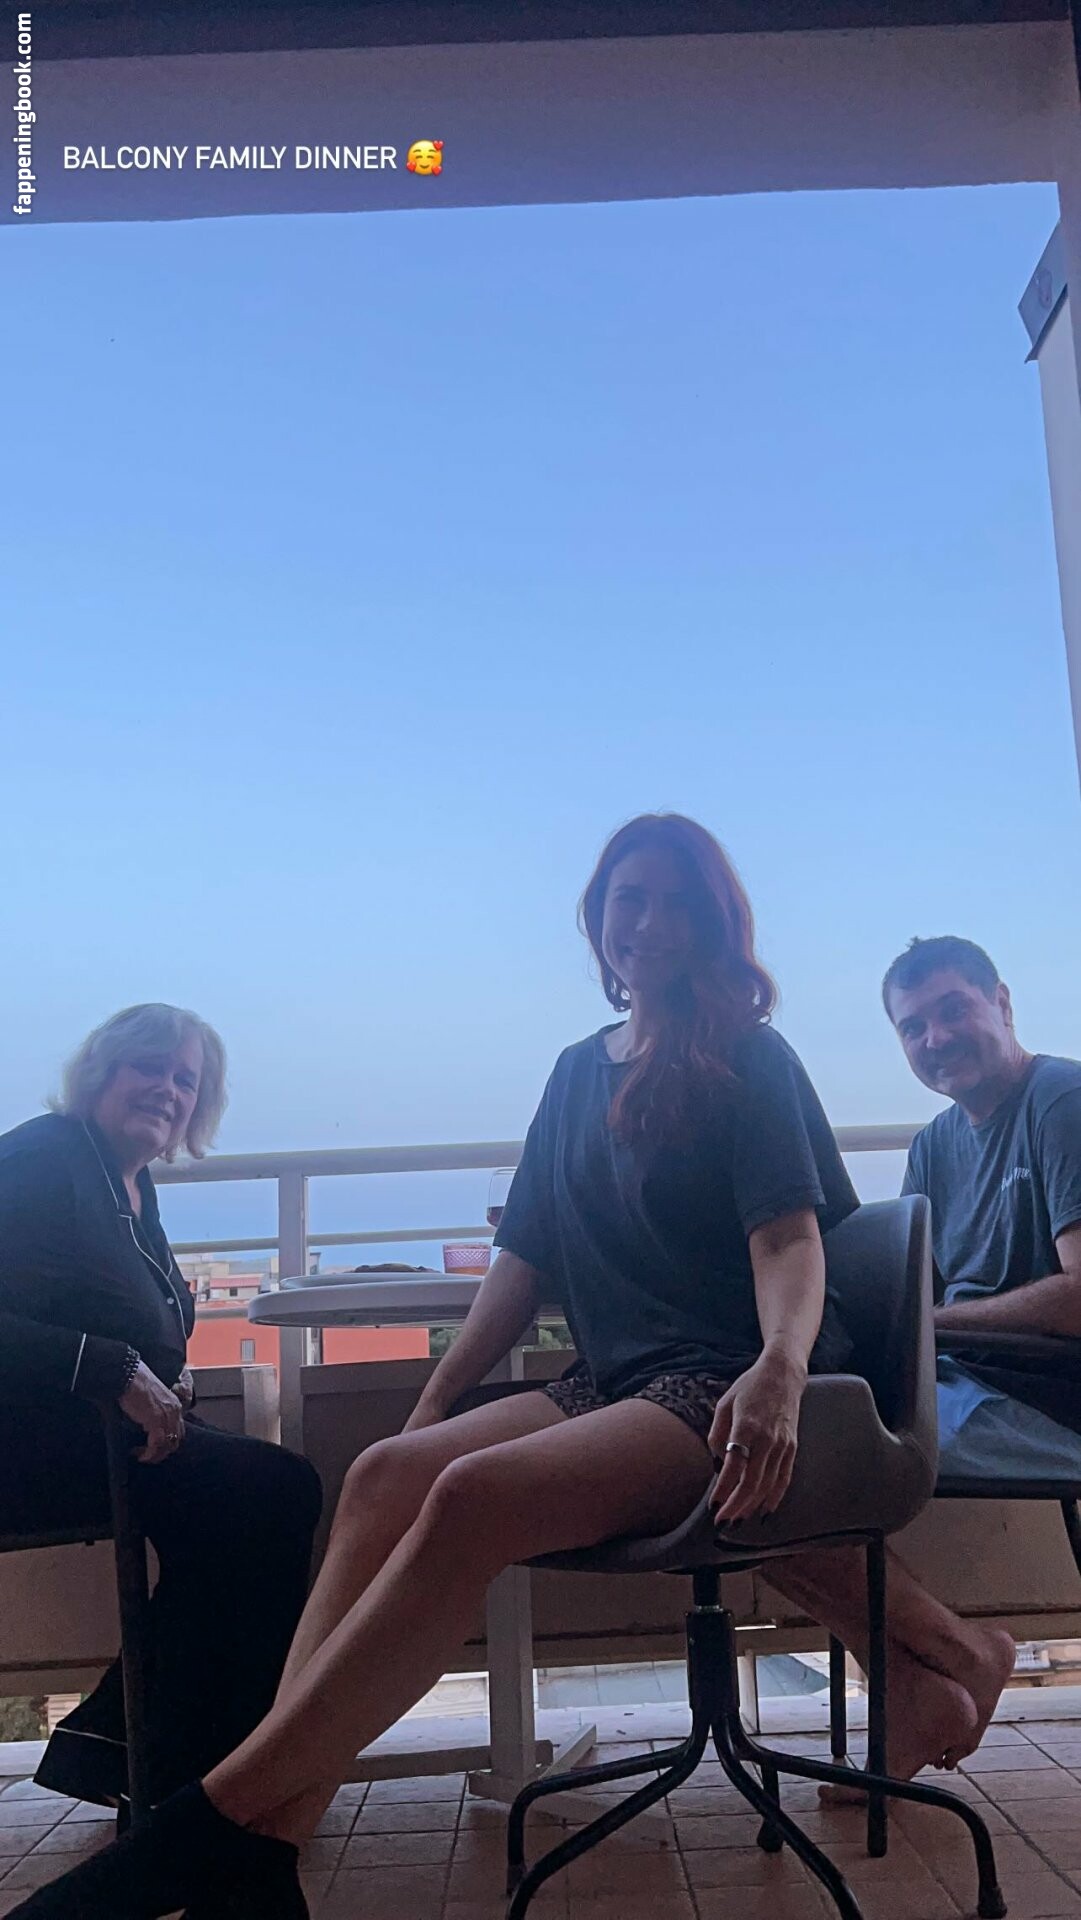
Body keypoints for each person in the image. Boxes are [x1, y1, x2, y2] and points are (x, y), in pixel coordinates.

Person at [9, 814, 866, 1919]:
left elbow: (789, 1238)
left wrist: (782, 1369)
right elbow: (522, 1262)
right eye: (628, 898)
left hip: (718, 1381)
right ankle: (265, 1850)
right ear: (597, 918)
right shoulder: (576, 1072)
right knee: (383, 1473)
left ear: (713, 923)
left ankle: (202, 1830)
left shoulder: (748, 1055)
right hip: (606, 1383)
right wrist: (433, 1401)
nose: (648, 921)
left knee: (470, 1497)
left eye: (676, 901)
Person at [767, 933, 1081, 1798]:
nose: (934, 1038)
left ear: (1001, 1003)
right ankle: (926, 1678)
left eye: (952, 1011)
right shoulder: (933, 1145)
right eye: (912, 1026)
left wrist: (934, 1326)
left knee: (783, 1462)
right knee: (745, 1451)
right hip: (963, 1387)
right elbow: (915, 1308)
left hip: (1046, 1400)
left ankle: (948, 1665)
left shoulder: (1060, 1101)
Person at [0, 1003, 323, 1835]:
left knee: (261, 1496)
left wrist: (162, 1378)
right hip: (26, 1445)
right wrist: (109, 1366)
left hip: (98, 1439)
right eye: (149, 1067)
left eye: (186, 1080)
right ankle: (185, 1777)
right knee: (268, 1491)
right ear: (100, 1073)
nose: (167, 1090)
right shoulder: (45, 1157)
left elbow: (134, 1322)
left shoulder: (132, 1186)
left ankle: (150, 1764)